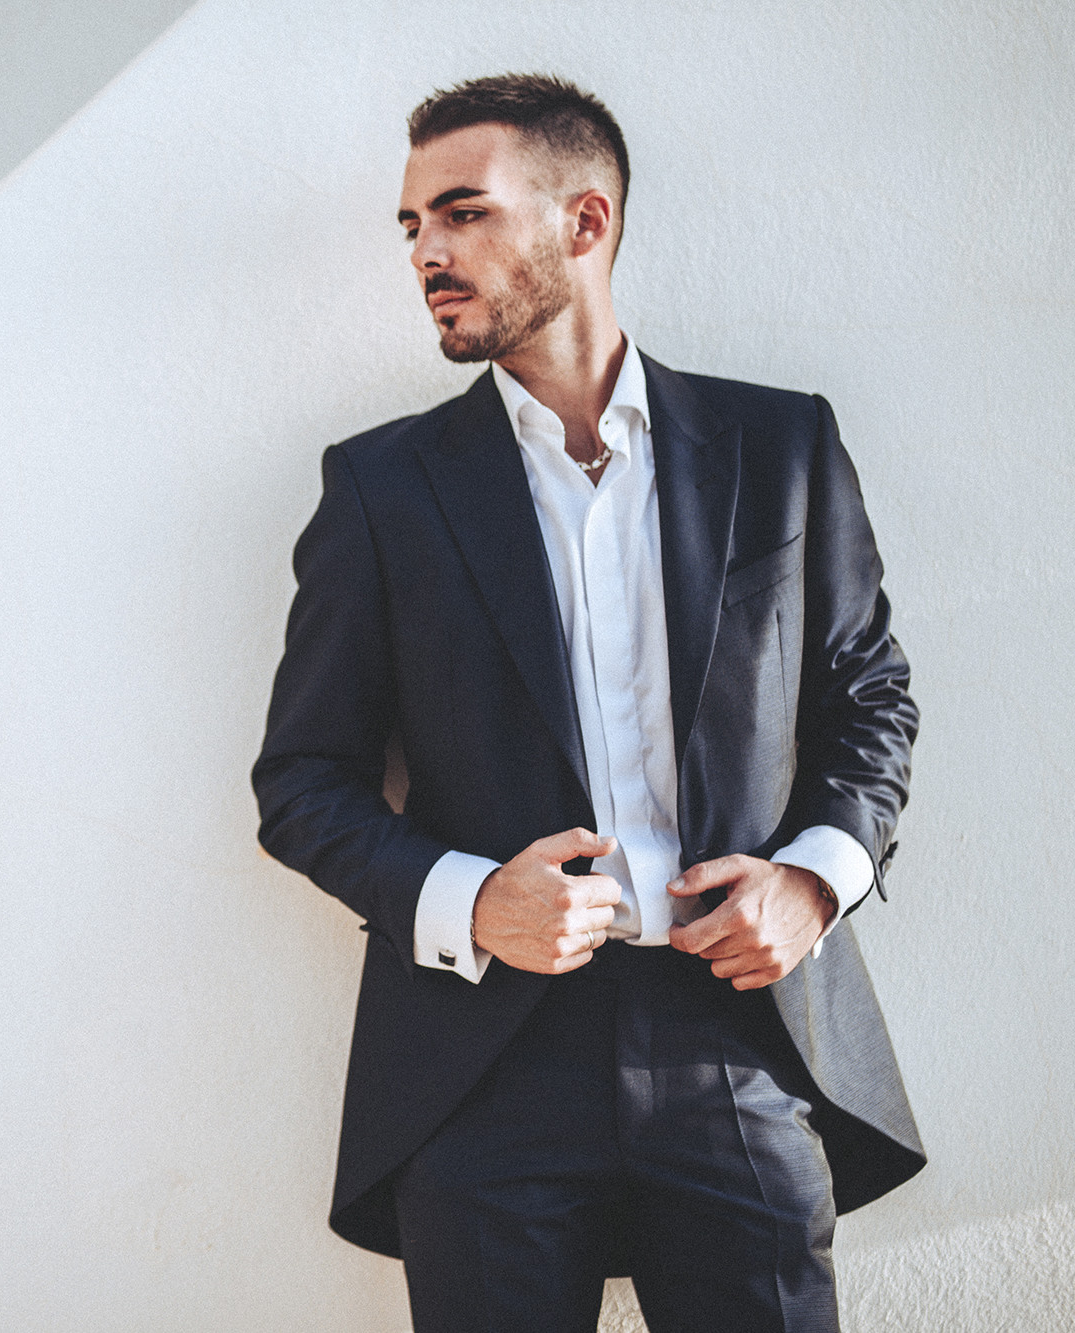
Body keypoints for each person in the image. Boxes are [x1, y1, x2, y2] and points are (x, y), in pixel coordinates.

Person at [251, 73, 922, 1331]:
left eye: (462, 213)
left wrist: (811, 880)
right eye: (411, 226)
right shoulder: (381, 489)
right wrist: (467, 899)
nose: (427, 253)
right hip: (482, 1065)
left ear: (583, 221)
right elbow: (300, 783)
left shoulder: (777, 447)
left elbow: (866, 697)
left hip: (736, 1037)